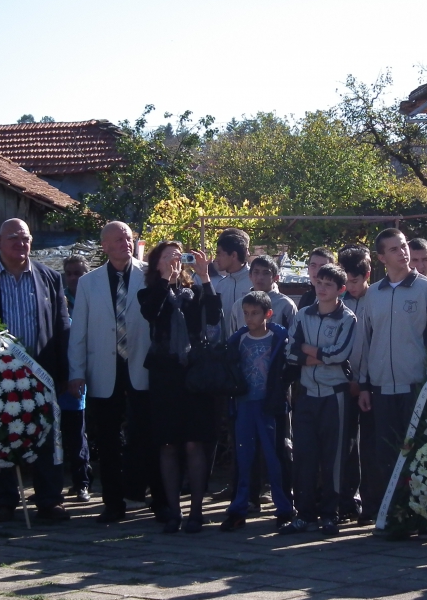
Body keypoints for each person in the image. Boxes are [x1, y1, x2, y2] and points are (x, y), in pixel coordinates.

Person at [0, 219, 70, 523]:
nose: (21, 243)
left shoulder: (49, 277)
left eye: (26, 238)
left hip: (41, 374)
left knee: (46, 436)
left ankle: (50, 500)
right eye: (14, 238)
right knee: (0, 431)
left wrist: (64, 372)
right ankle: (4, 501)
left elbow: (61, 327)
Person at [358, 229, 427, 519]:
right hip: (381, 388)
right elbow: (364, 342)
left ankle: (424, 515)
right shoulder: (372, 294)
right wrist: (363, 384)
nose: (402, 252)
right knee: (385, 454)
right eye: (393, 249)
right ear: (381, 258)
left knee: (419, 453)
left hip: (417, 387)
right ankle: (393, 514)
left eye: (403, 246)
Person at [68, 222, 159, 522]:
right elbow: (79, 331)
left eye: (129, 238)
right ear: (105, 246)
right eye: (119, 239)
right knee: (107, 440)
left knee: (146, 435)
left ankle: (151, 496)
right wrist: (76, 372)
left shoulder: (150, 275)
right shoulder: (89, 283)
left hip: (141, 366)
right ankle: (113, 503)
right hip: (104, 369)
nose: (126, 243)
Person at [138, 241, 221, 533]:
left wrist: (205, 276)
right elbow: (152, 312)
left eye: (178, 255)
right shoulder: (149, 292)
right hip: (165, 376)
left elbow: (214, 316)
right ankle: (173, 511)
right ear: (156, 263)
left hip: (194, 375)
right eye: (168, 256)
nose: (174, 260)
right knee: (168, 444)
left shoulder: (194, 292)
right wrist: (165, 281)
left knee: (194, 442)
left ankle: (196, 511)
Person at [281, 264, 356, 536]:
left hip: (335, 397)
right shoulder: (303, 315)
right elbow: (290, 352)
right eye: (319, 282)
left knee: (333, 458)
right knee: (304, 456)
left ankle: (330, 515)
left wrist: (308, 350)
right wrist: (318, 355)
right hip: (307, 395)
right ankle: (304, 514)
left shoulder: (347, 318)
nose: (322, 288)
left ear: (341, 290)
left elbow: (339, 354)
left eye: (328, 284)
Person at [221, 291, 294, 531]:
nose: (249, 318)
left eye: (254, 313)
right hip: (244, 404)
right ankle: (238, 508)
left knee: (275, 459)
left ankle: (284, 509)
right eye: (246, 313)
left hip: (269, 406)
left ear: (268, 314)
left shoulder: (279, 339)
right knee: (244, 459)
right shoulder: (238, 340)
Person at [337, 244, 377, 524]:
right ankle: (348, 501)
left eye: (355, 280)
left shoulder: (377, 299)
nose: (351, 286)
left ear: (367, 275)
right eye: (346, 281)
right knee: (346, 444)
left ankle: (373, 502)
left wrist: (364, 382)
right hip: (344, 383)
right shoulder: (338, 302)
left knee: (371, 446)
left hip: (372, 384)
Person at [58, 254, 91, 503]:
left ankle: (82, 482)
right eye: (69, 273)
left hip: (81, 374)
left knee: (76, 433)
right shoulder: (58, 300)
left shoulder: (92, 298)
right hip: (58, 373)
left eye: (78, 273)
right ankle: (53, 484)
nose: (73, 278)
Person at [229, 255, 297, 332]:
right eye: (256, 272)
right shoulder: (238, 305)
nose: (260, 277)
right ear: (250, 276)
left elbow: (294, 336)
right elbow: (233, 336)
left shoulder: (286, 305)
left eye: (266, 273)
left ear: (275, 278)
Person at [214, 229, 252, 337]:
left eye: (219, 254)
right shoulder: (221, 285)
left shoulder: (256, 281)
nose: (216, 259)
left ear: (234, 255)